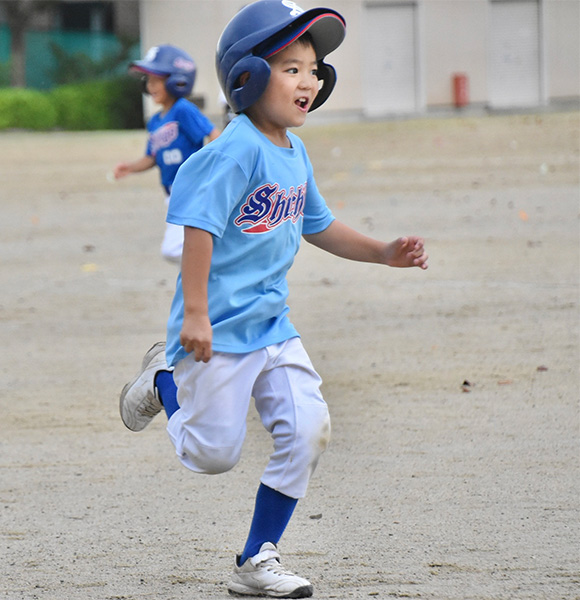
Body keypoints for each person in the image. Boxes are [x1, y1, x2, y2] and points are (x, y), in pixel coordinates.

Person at [119, 2, 429, 598]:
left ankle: (257, 557)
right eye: (290, 67)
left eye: (313, 68)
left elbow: (319, 224)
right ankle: (161, 377)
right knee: (211, 455)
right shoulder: (236, 150)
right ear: (248, 78)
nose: (309, 80)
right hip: (219, 330)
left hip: (273, 327)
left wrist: (383, 252)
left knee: (309, 430)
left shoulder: (292, 149)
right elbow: (198, 228)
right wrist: (197, 315)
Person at [112, 44, 219, 263]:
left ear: (176, 80)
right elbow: (152, 157)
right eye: (148, 81)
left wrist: (212, 168)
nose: (150, 86)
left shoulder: (183, 109)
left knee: (174, 250)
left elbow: (213, 134)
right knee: (185, 248)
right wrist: (130, 167)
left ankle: (214, 268)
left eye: (156, 80)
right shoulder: (154, 122)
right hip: (173, 195)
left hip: (193, 191)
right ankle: (202, 286)